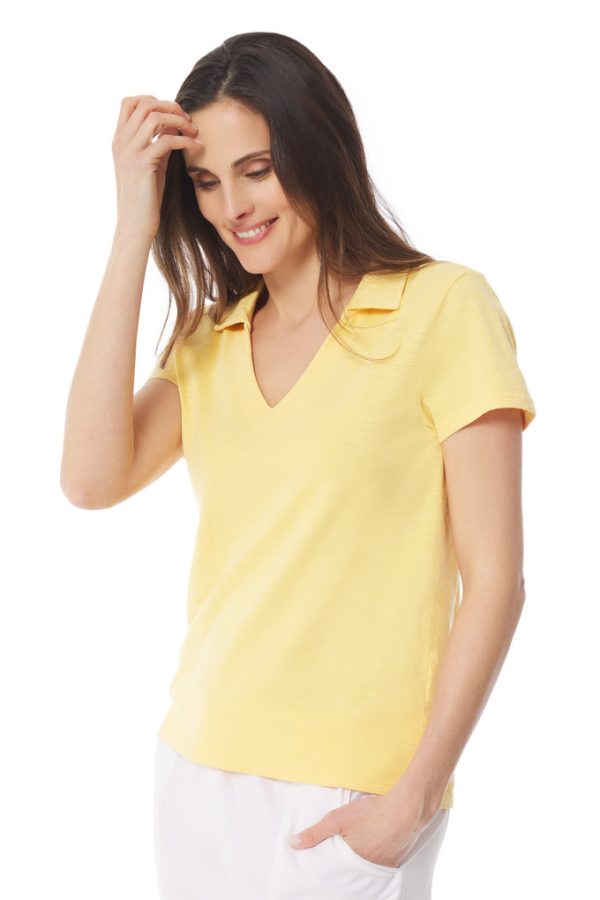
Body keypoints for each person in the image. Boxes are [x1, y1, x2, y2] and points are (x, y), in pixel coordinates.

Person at [60, 31, 536, 900]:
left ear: (320, 152)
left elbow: (497, 581)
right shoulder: (211, 337)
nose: (233, 205)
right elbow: (90, 480)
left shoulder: (443, 307)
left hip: (352, 793)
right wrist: (133, 229)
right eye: (206, 181)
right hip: (198, 768)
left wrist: (413, 798)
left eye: (258, 169)